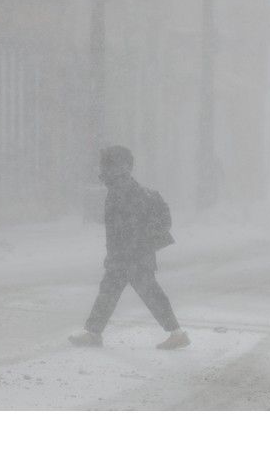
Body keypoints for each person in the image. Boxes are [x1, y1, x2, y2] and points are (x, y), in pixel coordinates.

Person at [70, 145, 189, 350]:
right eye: (103, 165)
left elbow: (125, 229)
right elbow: (123, 229)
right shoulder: (123, 188)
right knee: (112, 293)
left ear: (121, 167)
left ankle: (177, 333)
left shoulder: (123, 191)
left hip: (132, 258)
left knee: (147, 294)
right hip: (130, 256)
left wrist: (123, 254)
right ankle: (94, 333)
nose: (103, 170)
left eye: (107, 165)